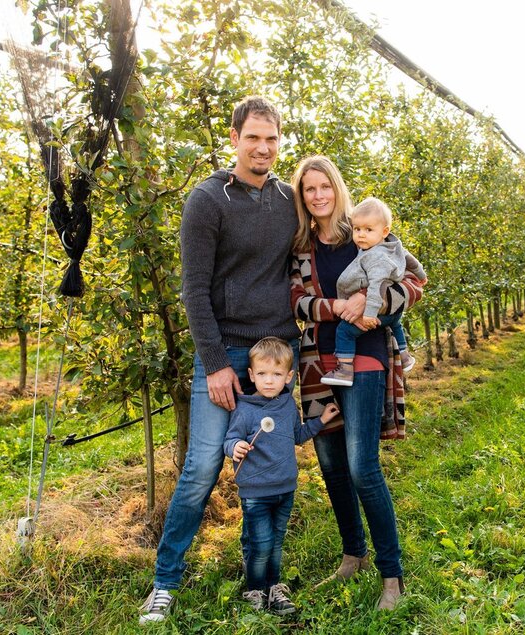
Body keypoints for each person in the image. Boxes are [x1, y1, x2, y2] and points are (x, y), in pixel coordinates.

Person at [140, 96, 301, 625]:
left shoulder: (289, 199)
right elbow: (193, 289)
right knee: (204, 465)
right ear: (234, 138)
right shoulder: (208, 199)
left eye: (271, 138)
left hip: (277, 355)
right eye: (253, 137)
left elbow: (338, 234)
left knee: (271, 463)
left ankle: (263, 578)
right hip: (226, 352)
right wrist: (214, 364)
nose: (263, 147)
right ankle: (165, 581)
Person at [288, 155, 425, 611]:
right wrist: (338, 307)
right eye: (309, 189)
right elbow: (296, 301)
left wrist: (375, 300)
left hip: (364, 357)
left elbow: (415, 280)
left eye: (325, 186)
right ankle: (354, 554)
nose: (319, 195)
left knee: (362, 467)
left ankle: (392, 576)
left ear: (337, 188)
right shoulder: (301, 247)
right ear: (302, 196)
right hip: (316, 362)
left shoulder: (366, 232)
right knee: (331, 465)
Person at [223, 337, 340, 615]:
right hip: (256, 492)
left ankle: (273, 587)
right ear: (251, 374)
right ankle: (255, 589)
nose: (268, 380)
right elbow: (230, 439)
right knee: (261, 544)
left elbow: (297, 436)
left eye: (276, 374)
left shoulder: (287, 405)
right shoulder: (245, 408)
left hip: (285, 488)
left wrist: (321, 420)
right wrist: (235, 447)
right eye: (262, 373)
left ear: (289, 377)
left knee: (276, 543)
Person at [320, 197, 427, 387]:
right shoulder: (391, 245)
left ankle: (344, 369)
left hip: (376, 309)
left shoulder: (375, 257)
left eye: (368, 230)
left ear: (384, 231)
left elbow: (376, 287)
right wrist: (421, 275)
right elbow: (410, 259)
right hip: (393, 313)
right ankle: (405, 356)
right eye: (357, 229)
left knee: (344, 331)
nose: (361, 235)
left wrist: (369, 313)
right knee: (396, 323)